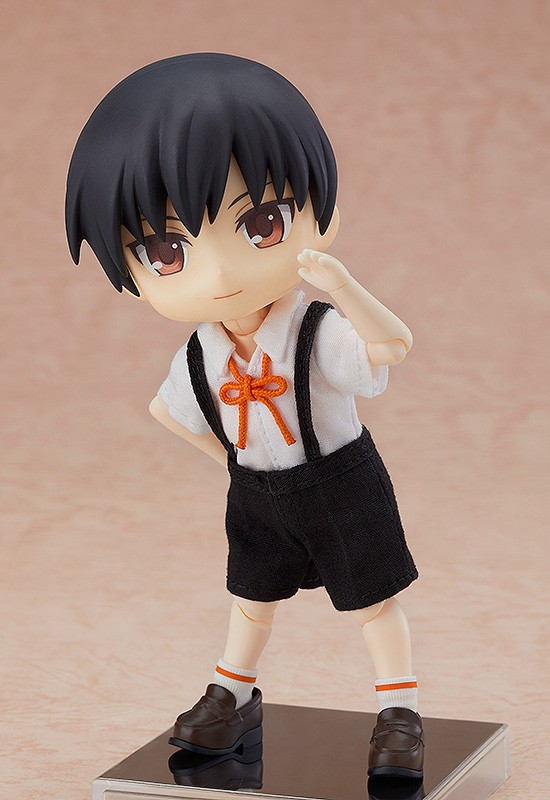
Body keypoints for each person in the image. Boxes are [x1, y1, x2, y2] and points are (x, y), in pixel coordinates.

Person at [66, 53, 424, 778]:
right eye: (166, 250)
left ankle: (399, 710)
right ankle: (231, 696)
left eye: (261, 223)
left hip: (340, 483)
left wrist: (345, 288)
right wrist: (233, 465)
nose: (222, 272)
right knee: (251, 598)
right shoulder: (200, 354)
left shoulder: (316, 330)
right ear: (131, 273)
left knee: (372, 601)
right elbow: (169, 412)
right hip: (259, 491)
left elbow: (392, 347)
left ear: (320, 215)